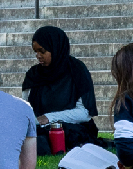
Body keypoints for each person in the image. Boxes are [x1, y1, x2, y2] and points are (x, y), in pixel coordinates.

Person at [24, 25, 99, 153]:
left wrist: (49, 117)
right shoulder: (33, 75)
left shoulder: (77, 70)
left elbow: (84, 113)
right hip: (41, 128)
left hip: (72, 128)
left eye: (42, 51)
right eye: (35, 51)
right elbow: (26, 110)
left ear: (56, 48)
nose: (38, 56)